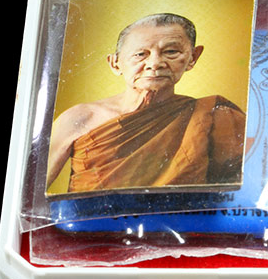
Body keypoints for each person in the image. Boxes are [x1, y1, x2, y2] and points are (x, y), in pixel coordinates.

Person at [46, 13, 246, 194]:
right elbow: (32, 191)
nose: (155, 63)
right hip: (92, 222)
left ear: (192, 57)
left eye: (171, 52)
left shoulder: (212, 116)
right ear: (115, 63)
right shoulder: (80, 118)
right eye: (140, 54)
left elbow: (240, 194)